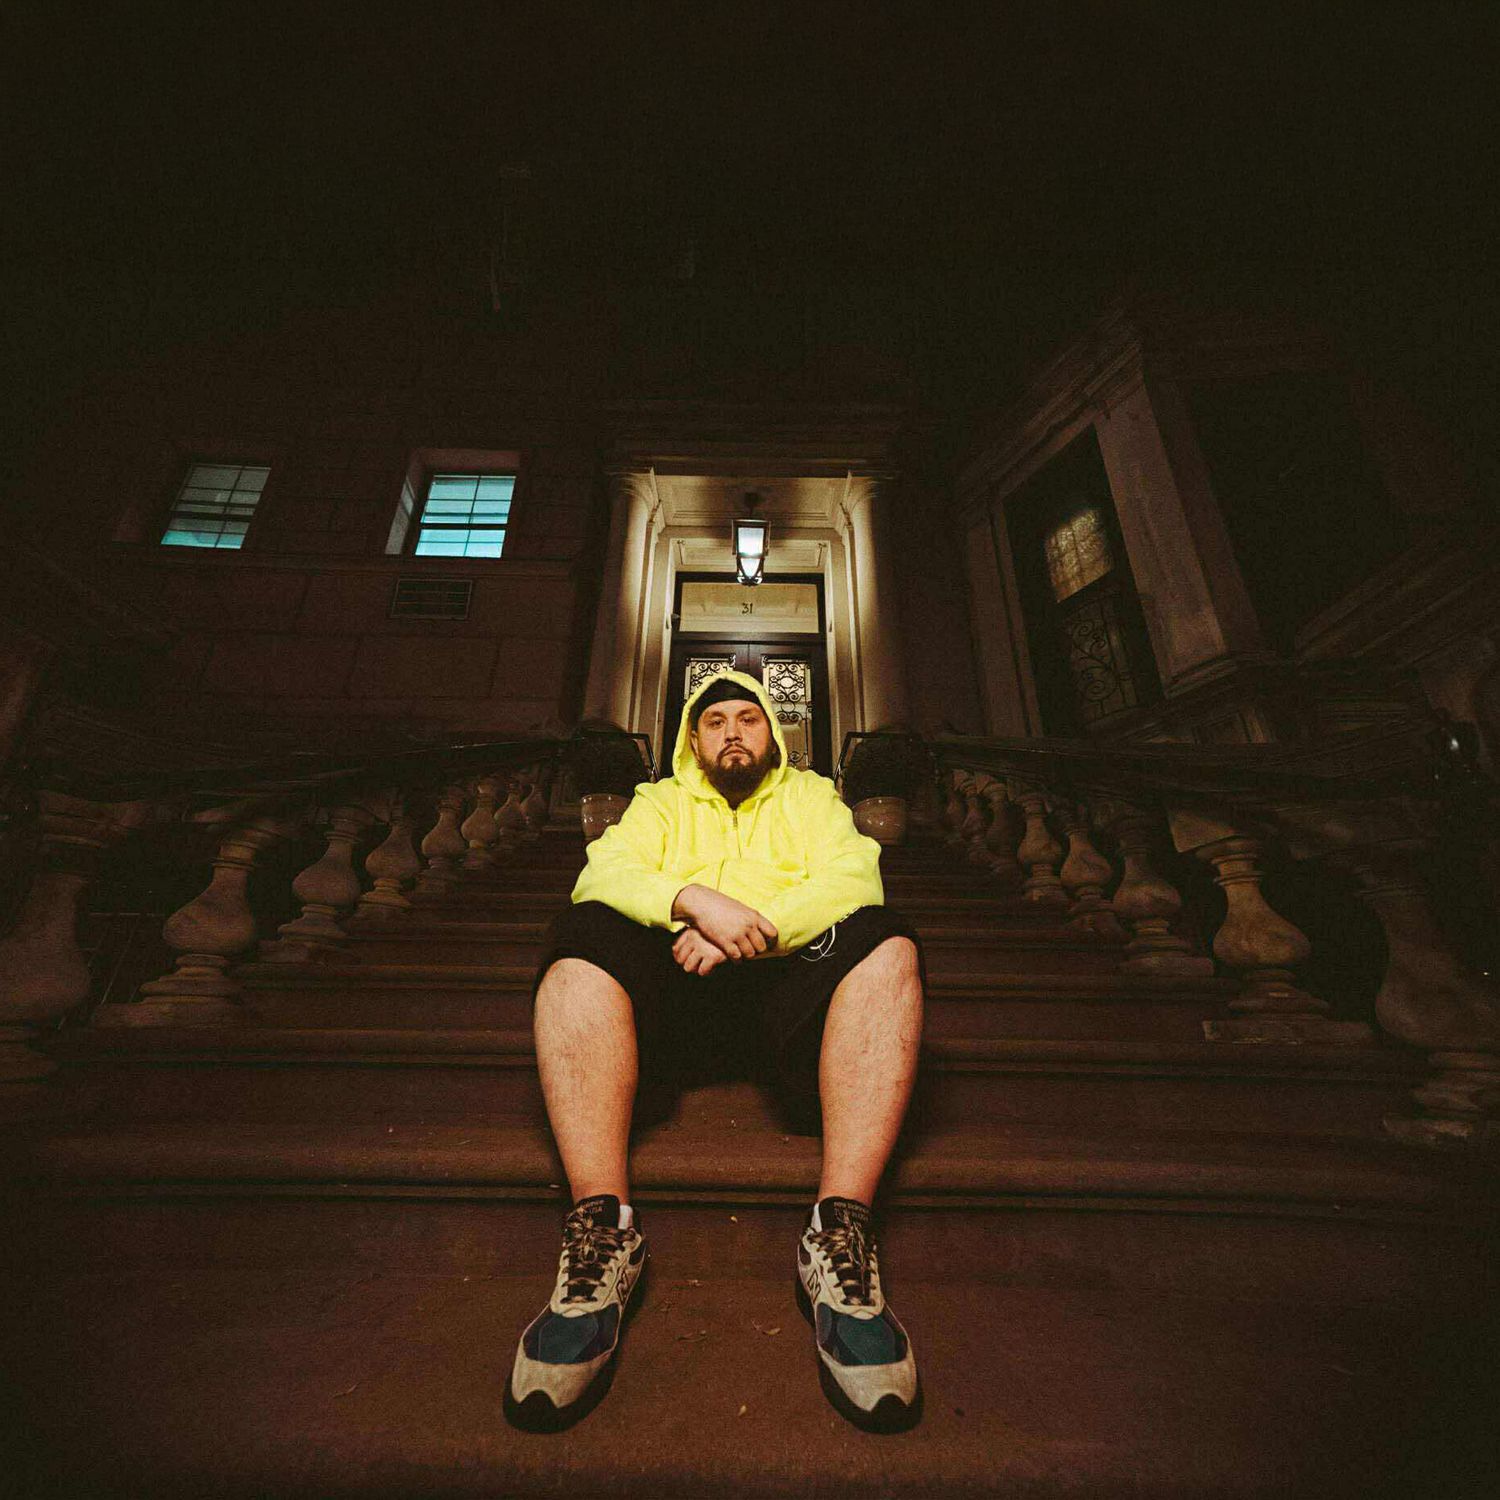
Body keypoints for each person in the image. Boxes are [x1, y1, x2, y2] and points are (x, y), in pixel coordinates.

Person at [507, 669, 925, 1431]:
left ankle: (840, 1232)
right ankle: (601, 1231)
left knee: (885, 938)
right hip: (676, 996)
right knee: (580, 933)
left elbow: (853, 877)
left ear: (773, 733)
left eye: (748, 718)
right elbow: (606, 872)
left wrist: (751, 924)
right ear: (692, 741)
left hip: (789, 999)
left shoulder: (812, 798)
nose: (733, 732)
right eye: (715, 721)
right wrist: (693, 901)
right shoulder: (657, 802)